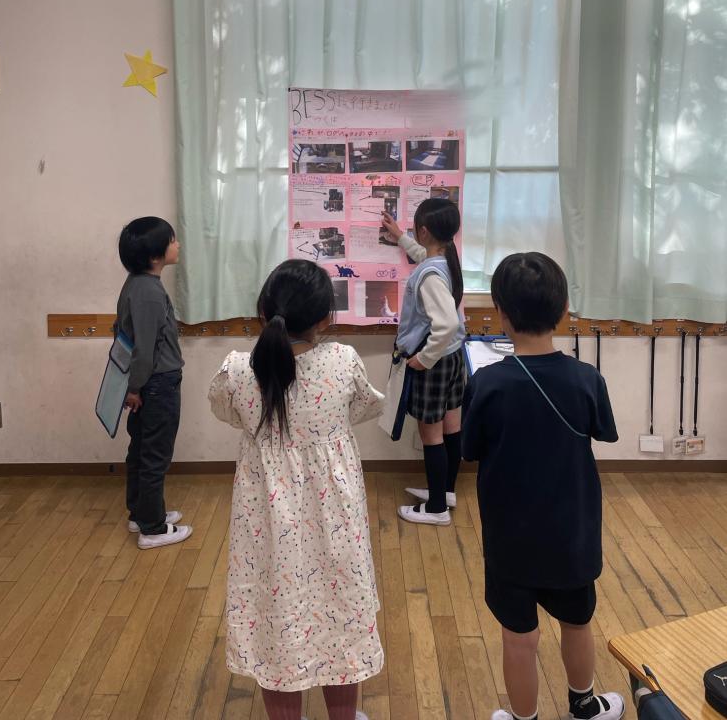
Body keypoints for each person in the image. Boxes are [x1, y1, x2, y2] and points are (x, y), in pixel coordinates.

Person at [208, 259, 384, 720]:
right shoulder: (342, 361)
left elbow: (226, 412)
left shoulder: (238, 370)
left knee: (276, 616)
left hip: (266, 523)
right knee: (339, 609)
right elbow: (364, 408)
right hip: (335, 520)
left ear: (263, 311)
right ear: (325, 318)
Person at [462, 252, 624, 720]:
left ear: (501, 313)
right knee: (577, 623)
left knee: (519, 638)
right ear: (564, 309)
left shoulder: (488, 384)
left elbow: (470, 449)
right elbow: (604, 430)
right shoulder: (586, 379)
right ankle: (585, 706)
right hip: (572, 533)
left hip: (510, 538)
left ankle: (524, 718)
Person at [380, 199, 466, 526]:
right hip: (453, 357)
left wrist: (423, 359)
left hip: (435, 362)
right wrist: (401, 236)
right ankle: (445, 492)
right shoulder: (445, 258)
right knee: (451, 426)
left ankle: (436, 509)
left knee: (432, 435)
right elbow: (423, 256)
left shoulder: (430, 274)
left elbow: (447, 324)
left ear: (425, 230)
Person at [116, 216, 192, 549]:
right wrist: (135, 388)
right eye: (172, 240)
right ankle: (153, 528)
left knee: (141, 450)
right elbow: (144, 349)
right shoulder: (147, 292)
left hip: (149, 382)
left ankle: (141, 513)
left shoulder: (138, 283)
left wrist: (135, 386)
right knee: (155, 456)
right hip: (157, 383)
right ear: (154, 255)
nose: (177, 244)